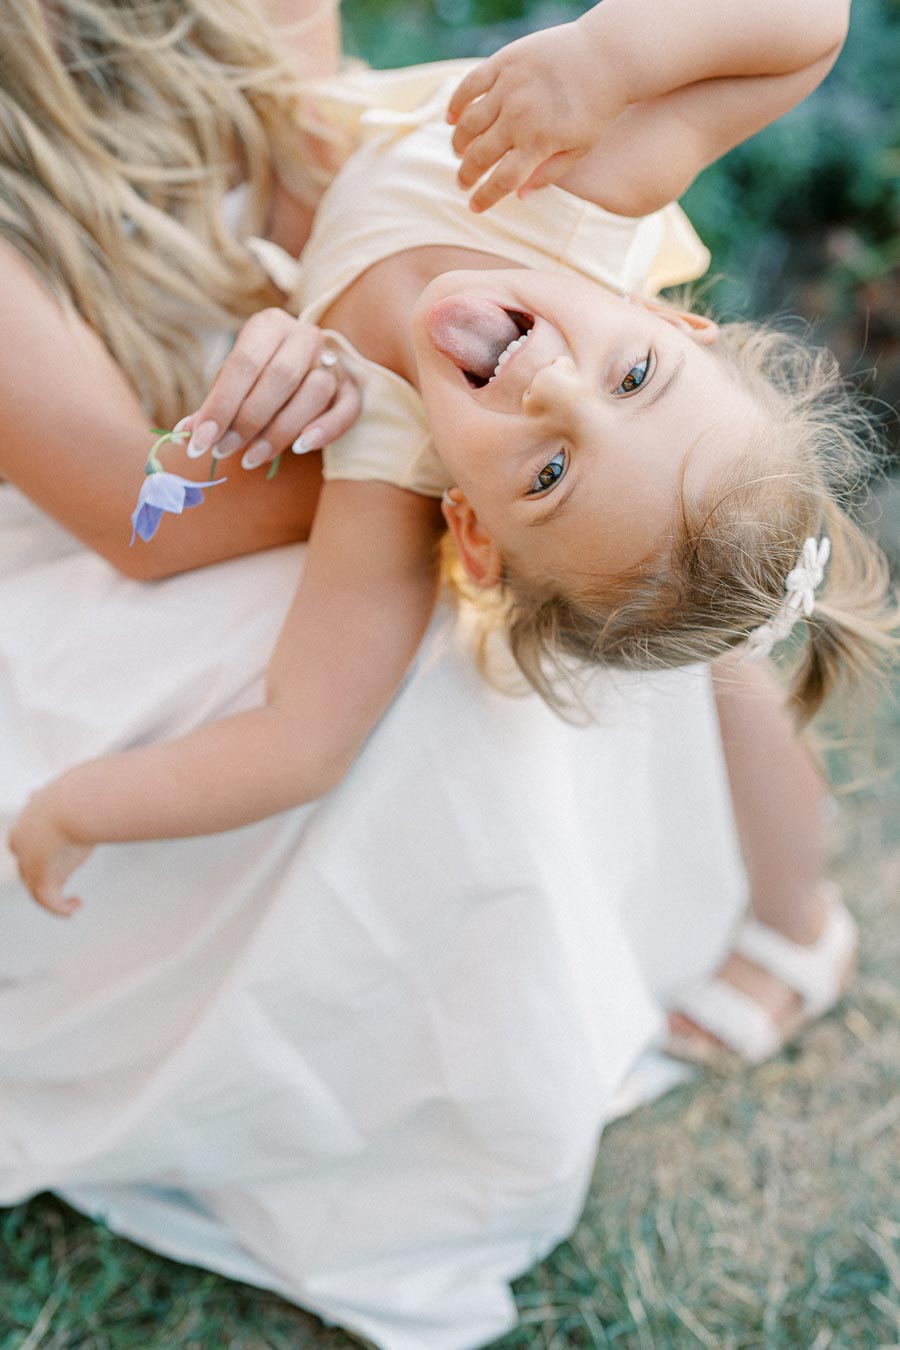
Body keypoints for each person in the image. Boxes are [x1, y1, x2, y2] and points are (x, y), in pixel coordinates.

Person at [0, 2, 891, 1347]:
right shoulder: (573, 192)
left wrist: (83, 804)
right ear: (680, 325)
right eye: (633, 374)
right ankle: (789, 915)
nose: (551, 385)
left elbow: (301, 734)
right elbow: (806, 27)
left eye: (548, 469)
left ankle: (792, 921)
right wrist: (615, 55)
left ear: (465, 529)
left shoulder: (383, 444)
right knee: (710, 631)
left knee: (719, 663)